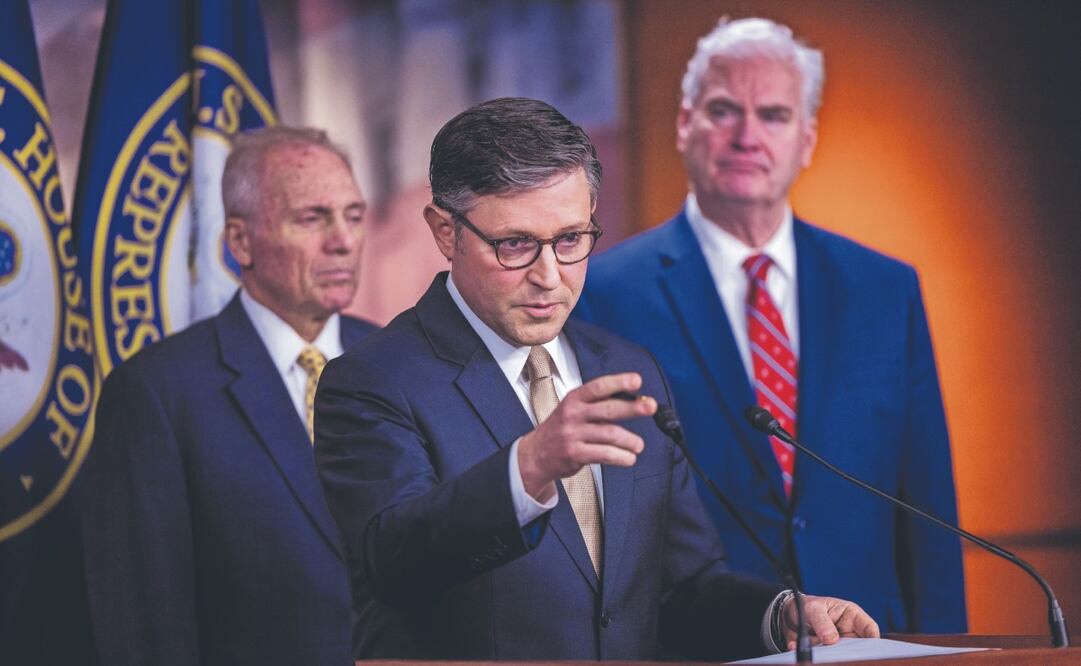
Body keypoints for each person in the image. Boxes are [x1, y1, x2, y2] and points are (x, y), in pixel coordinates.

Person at [314, 97, 878, 661]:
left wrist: (778, 616)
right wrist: (528, 467)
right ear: (445, 232)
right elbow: (394, 565)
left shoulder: (627, 369)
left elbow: (680, 588)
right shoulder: (372, 381)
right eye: (515, 244)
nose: (549, 275)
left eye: (570, 240)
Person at [574, 17, 966, 633]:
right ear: (684, 124)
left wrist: (946, 649)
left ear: (806, 140)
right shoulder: (603, 293)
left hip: (871, 640)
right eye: (723, 111)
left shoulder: (885, 289)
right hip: (699, 642)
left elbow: (927, 509)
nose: (747, 136)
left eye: (774, 116)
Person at [78, 126, 378, 666]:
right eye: (312, 218)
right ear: (240, 242)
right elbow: (144, 627)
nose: (343, 241)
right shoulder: (157, 393)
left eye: (353, 216)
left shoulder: (396, 360)